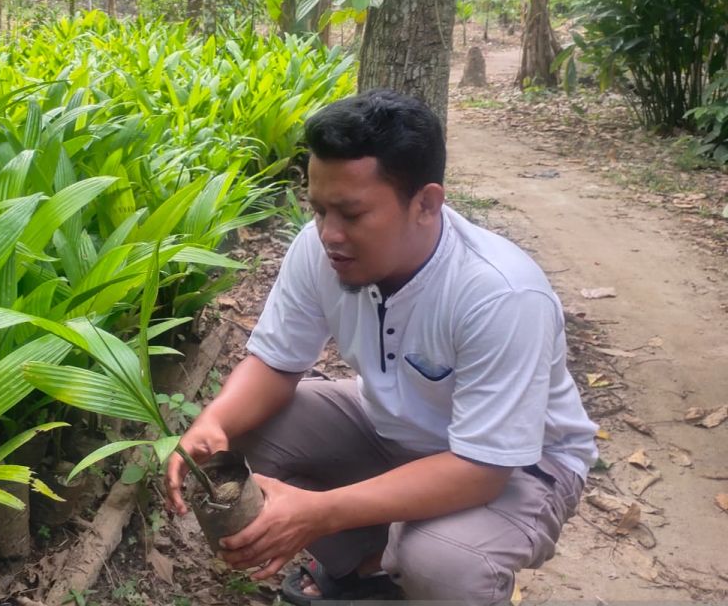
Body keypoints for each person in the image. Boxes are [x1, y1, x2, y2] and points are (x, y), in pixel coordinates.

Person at [165, 89, 597, 605]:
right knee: (247, 431)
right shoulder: (320, 248)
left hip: (519, 464)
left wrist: (318, 512)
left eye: (351, 213)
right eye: (319, 210)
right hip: (392, 424)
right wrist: (215, 422)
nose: (329, 233)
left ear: (426, 204)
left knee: (444, 564)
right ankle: (368, 571)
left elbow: (482, 470)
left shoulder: (500, 294)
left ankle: (413, 563)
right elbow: (276, 364)